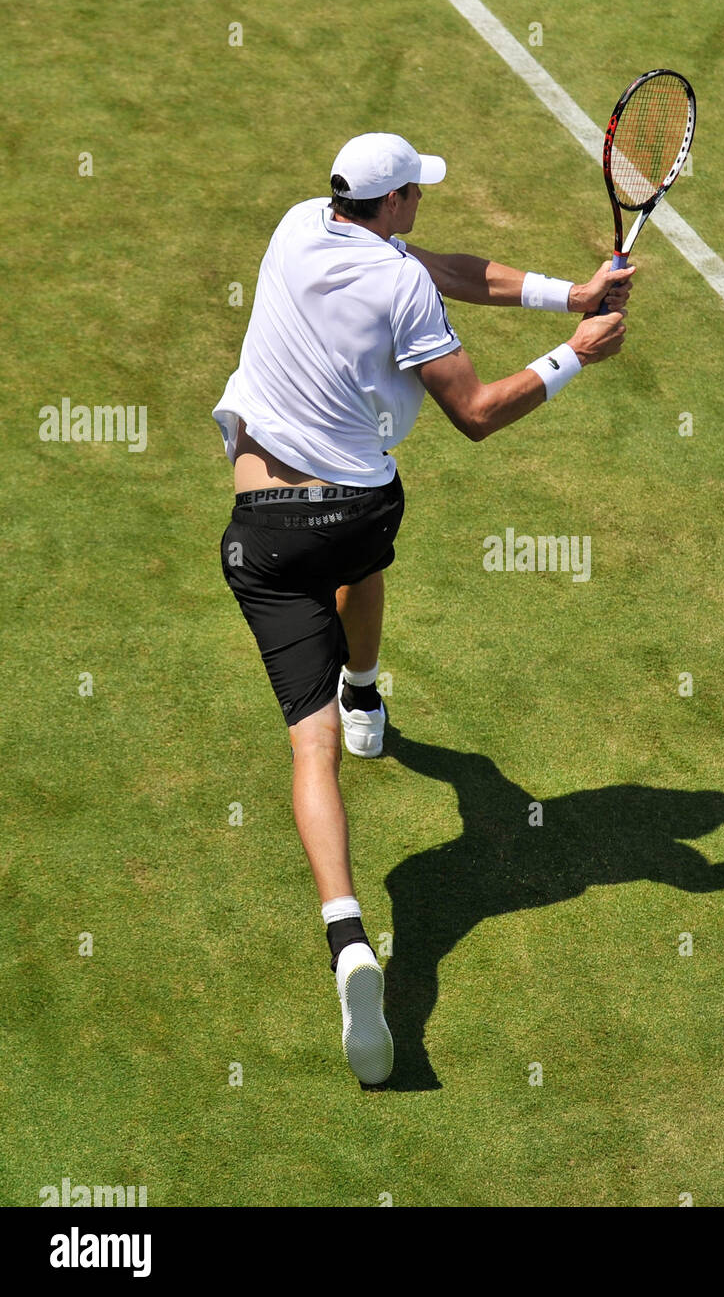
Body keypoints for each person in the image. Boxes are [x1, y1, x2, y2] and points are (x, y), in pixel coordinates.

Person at [212, 132, 633, 1084]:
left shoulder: (296, 226)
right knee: (364, 548)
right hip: (359, 510)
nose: (421, 208)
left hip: (266, 531)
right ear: (393, 202)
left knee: (305, 750)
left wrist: (567, 290)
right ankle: (368, 694)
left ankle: (350, 938)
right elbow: (476, 410)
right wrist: (575, 350)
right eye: (417, 194)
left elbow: (438, 267)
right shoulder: (402, 287)